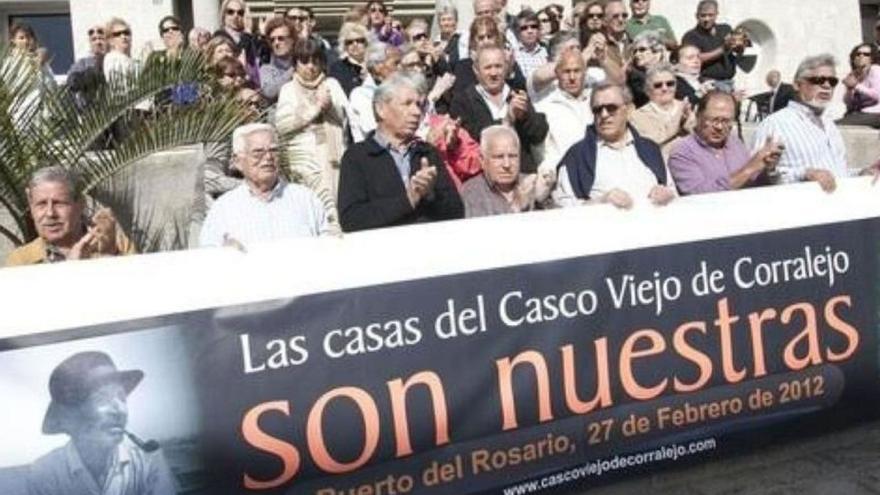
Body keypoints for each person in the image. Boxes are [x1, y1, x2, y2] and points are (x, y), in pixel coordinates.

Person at [27, 351, 177, 495]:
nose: (120, 410)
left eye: (122, 398)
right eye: (101, 399)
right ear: (69, 418)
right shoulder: (44, 474)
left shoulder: (148, 461)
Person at [338, 73, 463, 232]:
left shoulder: (427, 153)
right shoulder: (358, 157)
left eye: (419, 105)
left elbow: (457, 212)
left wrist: (430, 193)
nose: (416, 112)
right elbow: (351, 219)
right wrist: (408, 199)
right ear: (381, 109)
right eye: (407, 104)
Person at [200, 123, 330, 247]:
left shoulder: (306, 200)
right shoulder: (223, 209)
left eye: (273, 150)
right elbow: (209, 257)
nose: (268, 157)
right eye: (258, 152)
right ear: (238, 161)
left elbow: (329, 248)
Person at [552, 82, 675, 209]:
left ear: (628, 110)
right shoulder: (576, 157)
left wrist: (667, 194)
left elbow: (674, 194)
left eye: (611, 108)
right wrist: (601, 203)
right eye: (597, 110)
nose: (604, 115)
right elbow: (563, 207)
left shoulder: (651, 149)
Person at [276, 39, 348, 230]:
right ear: (296, 64)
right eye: (305, 61)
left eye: (315, 61)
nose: (311, 67)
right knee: (310, 211)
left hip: (334, 159)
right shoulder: (288, 89)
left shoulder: (331, 84)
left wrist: (329, 105)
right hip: (305, 162)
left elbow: (347, 119)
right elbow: (283, 125)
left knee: (337, 208)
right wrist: (316, 108)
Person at [751, 54, 850, 192]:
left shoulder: (829, 125)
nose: (827, 85)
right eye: (818, 80)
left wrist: (863, 173)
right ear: (797, 85)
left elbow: (839, 173)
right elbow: (756, 178)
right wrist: (804, 174)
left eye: (832, 81)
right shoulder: (775, 124)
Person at [6, 166, 136, 267]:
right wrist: (70, 271)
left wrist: (109, 255)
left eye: (59, 203)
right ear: (31, 208)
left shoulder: (119, 246)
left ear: (81, 205)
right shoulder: (21, 261)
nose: (50, 213)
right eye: (41, 204)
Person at [450, 45, 549, 173]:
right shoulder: (462, 101)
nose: (493, 73)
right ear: (476, 71)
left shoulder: (517, 94)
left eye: (498, 66)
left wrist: (525, 116)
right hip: (485, 177)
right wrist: (506, 121)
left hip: (522, 173)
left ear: (506, 68)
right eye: (488, 67)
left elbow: (538, 135)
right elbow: (472, 140)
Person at [669, 90, 782, 195]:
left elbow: (754, 185)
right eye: (713, 120)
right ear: (698, 116)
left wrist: (767, 168)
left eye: (726, 121)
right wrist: (750, 168)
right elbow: (700, 195)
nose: (719, 127)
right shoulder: (682, 152)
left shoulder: (735, 143)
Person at [462, 125, 554, 217]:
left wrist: (540, 201)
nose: (507, 164)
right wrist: (522, 208)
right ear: (482, 160)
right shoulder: (472, 192)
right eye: (499, 157)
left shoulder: (532, 184)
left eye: (512, 156)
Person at [535, 49, 593, 173]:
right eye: (566, 72)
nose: (572, 77)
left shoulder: (597, 102)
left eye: (577, 71)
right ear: (557, 73)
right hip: (563, 177)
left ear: (585, 72)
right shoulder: (544, 107)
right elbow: (540, 153)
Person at [629, 63, 696, 158]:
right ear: (648, 90)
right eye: (658, 85)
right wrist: (679, 121)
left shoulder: (686, 107)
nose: (665, 88)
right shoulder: (638, 115)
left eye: (670, 84)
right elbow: (651, 141)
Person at [681, 0, 741, 91]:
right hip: (708, 83)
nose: (706, 19)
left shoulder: (725, 29)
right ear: (696, 16)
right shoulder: (691, 36)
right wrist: (723, 49)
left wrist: (739, 45)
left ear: (717, 14)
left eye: (710, 15)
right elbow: (695, 59)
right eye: (703, 15)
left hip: (730, 82)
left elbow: (737, 51)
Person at [349, 41, 401, 142]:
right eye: (396, 63)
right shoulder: (361, 95)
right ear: (378, 67)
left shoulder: (400, 92)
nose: (400, 68)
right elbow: (373, 129)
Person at [215, 0, 269, 85]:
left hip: (254, 83)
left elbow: (265, 58)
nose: (236, 16)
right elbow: (237, 55)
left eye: (240, 13)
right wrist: (247, 33)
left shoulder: (250, 36)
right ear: (223, 15)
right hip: (231, 84)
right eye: (230, 12)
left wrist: (263, 36)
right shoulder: (220, 35)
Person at [839, 43, 880, 128]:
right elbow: (849, 104)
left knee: (837, 126)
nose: (861, 56)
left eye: (866, 54)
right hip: (858, 113)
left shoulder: (875, 70)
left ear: (872, 58)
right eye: (858, 54)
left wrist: (856, 86)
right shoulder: (853, 74)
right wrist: (849, 89)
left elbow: (877, 95)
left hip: (875, 113)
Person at [67, 25, 107, 110]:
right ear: (90, 43)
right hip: (90, 112)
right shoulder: (82, 63)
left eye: (101, 39)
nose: (98, 42)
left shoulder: (112, 60)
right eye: (94, 39)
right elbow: (72, 83)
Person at [626, 32, 667, 108]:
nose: (637, 54)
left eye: (642, 50)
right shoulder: (635, 78)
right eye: (635, 51)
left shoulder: (670, 74)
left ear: (657, 52)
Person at [258, 17, 295, 103]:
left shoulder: (305, 63)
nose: (276, 43)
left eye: (281, 38)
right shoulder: (266, 69)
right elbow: (270, 92)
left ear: (292, 40)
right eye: (272, 40)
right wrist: (294, 70)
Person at [328, 22, 369, 97]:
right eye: (349, 42)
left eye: (359, 40)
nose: (355, 44)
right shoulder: (337, 68)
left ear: (366, 43)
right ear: (344, 46)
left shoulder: (373, 65)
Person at [513, 9, 548, 80]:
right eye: (524, 28)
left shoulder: (547, 51)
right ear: (517, 32)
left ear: (539, 30)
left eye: (533, 27)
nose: (530, 31)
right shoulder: (513, 55)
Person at [603, 0, 631, 69]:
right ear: (605, 21)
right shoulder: (601, 45)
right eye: (615, 16)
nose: (621, 20)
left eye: (624, 16)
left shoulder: (634, 43)